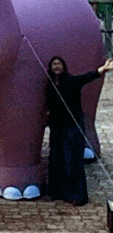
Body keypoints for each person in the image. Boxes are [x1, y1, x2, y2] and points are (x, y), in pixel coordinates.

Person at [46, 55, 113, 205]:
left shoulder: (71, 81)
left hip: (72, 127)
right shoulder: (49, 84)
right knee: (56, 160)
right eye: (53, 64)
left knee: (73, 162)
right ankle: (57, 191)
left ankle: (78, 195)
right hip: (57, 128)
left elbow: (87, 77)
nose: (56, 67)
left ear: (63, 66)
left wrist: (102, 69)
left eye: (59, 64)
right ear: (50, 68)